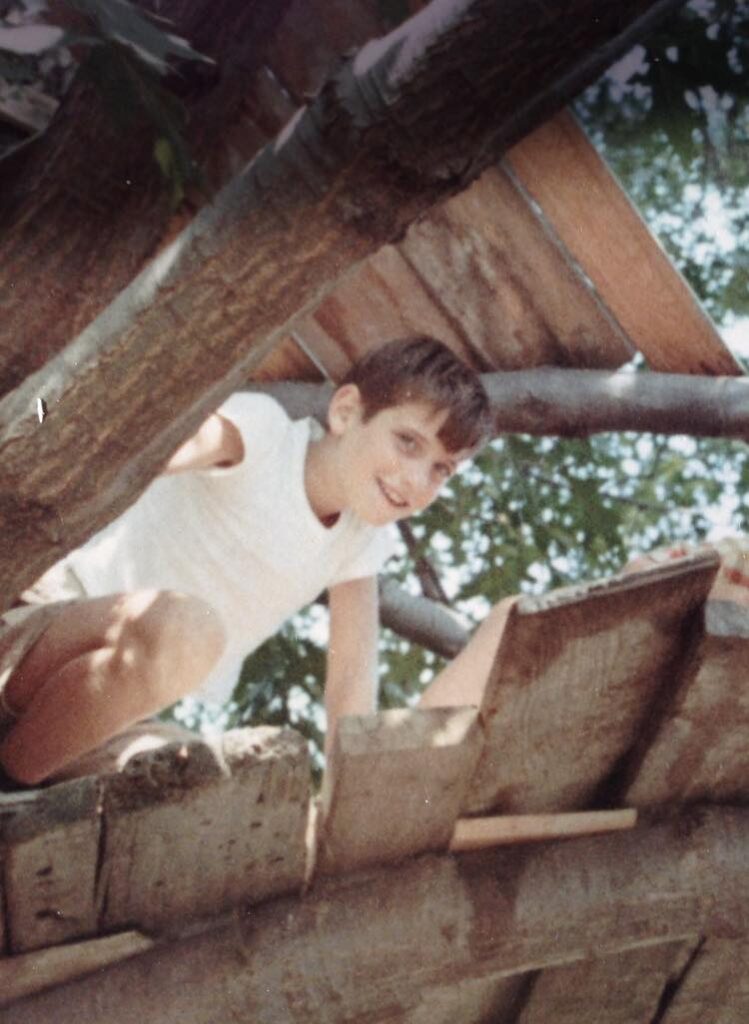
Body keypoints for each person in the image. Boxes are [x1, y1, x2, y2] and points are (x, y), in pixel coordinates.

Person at [0, 336, 496, 786]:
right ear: (346, 411)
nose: (415, 481)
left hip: (92, 716)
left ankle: (17, 785)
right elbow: (131, 458)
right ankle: (11, 777)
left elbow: (349, 686)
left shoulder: (360, 543)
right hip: (42, 629)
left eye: (441, 470)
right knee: (191, 631)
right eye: (407, 443)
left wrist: (352, 796)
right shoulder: (263, 435)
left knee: (223, 784)